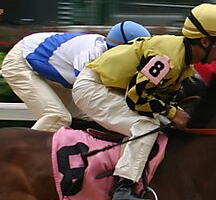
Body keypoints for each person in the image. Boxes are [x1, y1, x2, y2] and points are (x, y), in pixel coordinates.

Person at [72, 3, 216, 200]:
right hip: (94, 87)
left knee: (163, 125)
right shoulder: (168, 59)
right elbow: (137, 98)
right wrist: (173, 113)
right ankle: (123, 187)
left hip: (113, 88)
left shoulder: (183, 60)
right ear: (204, 41)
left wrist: (173, 112)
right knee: (146, 126)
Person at [0, 21, 151, 131]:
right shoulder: (92, 53)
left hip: (43, 67)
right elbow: (85, 91)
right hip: (20, 63)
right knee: (58, 118)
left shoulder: (107, 54)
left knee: (87, 118)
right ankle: (13, 158)